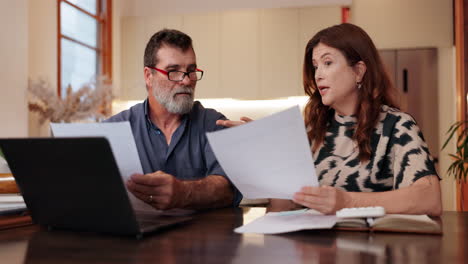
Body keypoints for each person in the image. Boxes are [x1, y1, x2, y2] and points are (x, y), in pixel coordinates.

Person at [217, 23, 442, 216]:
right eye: (315, 66)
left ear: (359, 71)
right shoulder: (309, 131)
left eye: (327, 63)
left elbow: (429, 199)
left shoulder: (397, 126)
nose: (318, 74)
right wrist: (268, 152)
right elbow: (283, 208)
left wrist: (347, 202)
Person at [106, 29, 241, 210]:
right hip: (137, 237)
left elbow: (229, 189)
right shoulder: (114, 129)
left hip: (203, 237)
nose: (186, 81)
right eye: (173, 71)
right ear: (148, 76)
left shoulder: (214, 124)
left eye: (191, 70)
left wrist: (184, 192)